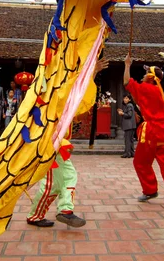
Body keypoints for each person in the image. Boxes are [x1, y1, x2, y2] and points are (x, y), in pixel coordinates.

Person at [27, 58, 109, 228]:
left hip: (57, 146)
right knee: (56, 181)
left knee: (55, 183)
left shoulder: (65, 97)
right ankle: (62, 210)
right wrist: (91, 73)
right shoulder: (53, 94)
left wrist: (92, 73)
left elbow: (78, 101)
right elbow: (76, 95)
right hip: (49, 145)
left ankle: (41, 214)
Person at [123, 55, 164, 205]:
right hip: (162, 131)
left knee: (140, 163)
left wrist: (127, 65)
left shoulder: (145, 88)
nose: (142, 77)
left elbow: (126, 82)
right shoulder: (158, 91)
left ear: (150, 77)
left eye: (144, 74)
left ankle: (150, 190)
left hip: (150, 132)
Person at [118, 94, 136, 158]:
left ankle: (127, 153)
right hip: (131, 125)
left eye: (126, 98)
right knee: (130, 140)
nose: (125, 99)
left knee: (127, 140)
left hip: (129, 125)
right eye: (124, 98)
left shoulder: (129, 105)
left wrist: (122, 113)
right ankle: (131, 153)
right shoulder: (128, 105)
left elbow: (129, 114)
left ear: (129, 99)